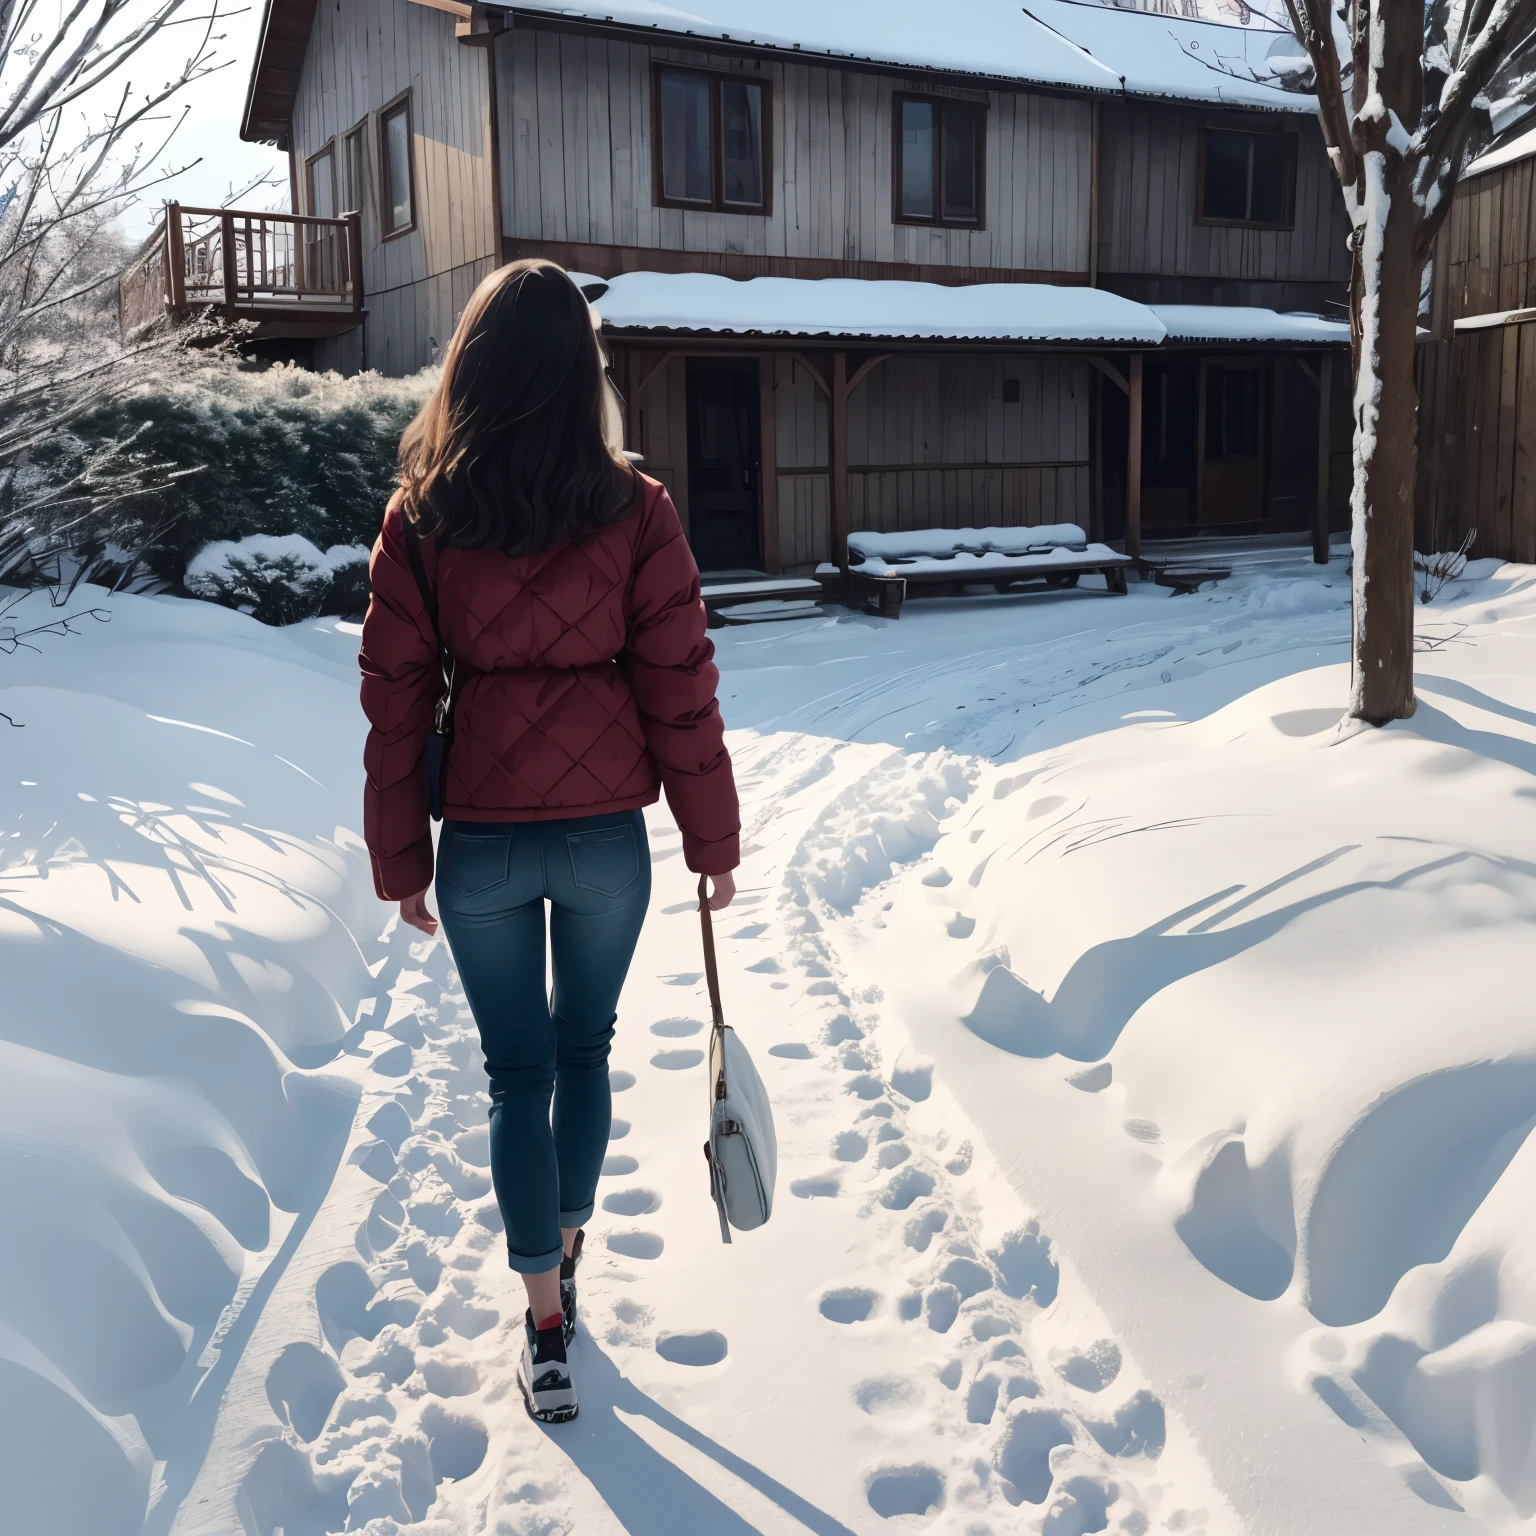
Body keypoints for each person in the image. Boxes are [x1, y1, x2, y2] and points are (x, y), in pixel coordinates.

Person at [359, 259, 740, 1424]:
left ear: (467, 367)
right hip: (601, 845)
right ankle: (566, 1256)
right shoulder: (638, 509)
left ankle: (541, 1322)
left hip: (479, 842)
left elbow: (391, 697)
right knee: (585, 1054)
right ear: (585, 372)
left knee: (514, 1076)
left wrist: (401, 860)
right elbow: (680, 685)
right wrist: (710, 835)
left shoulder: (420, 520)